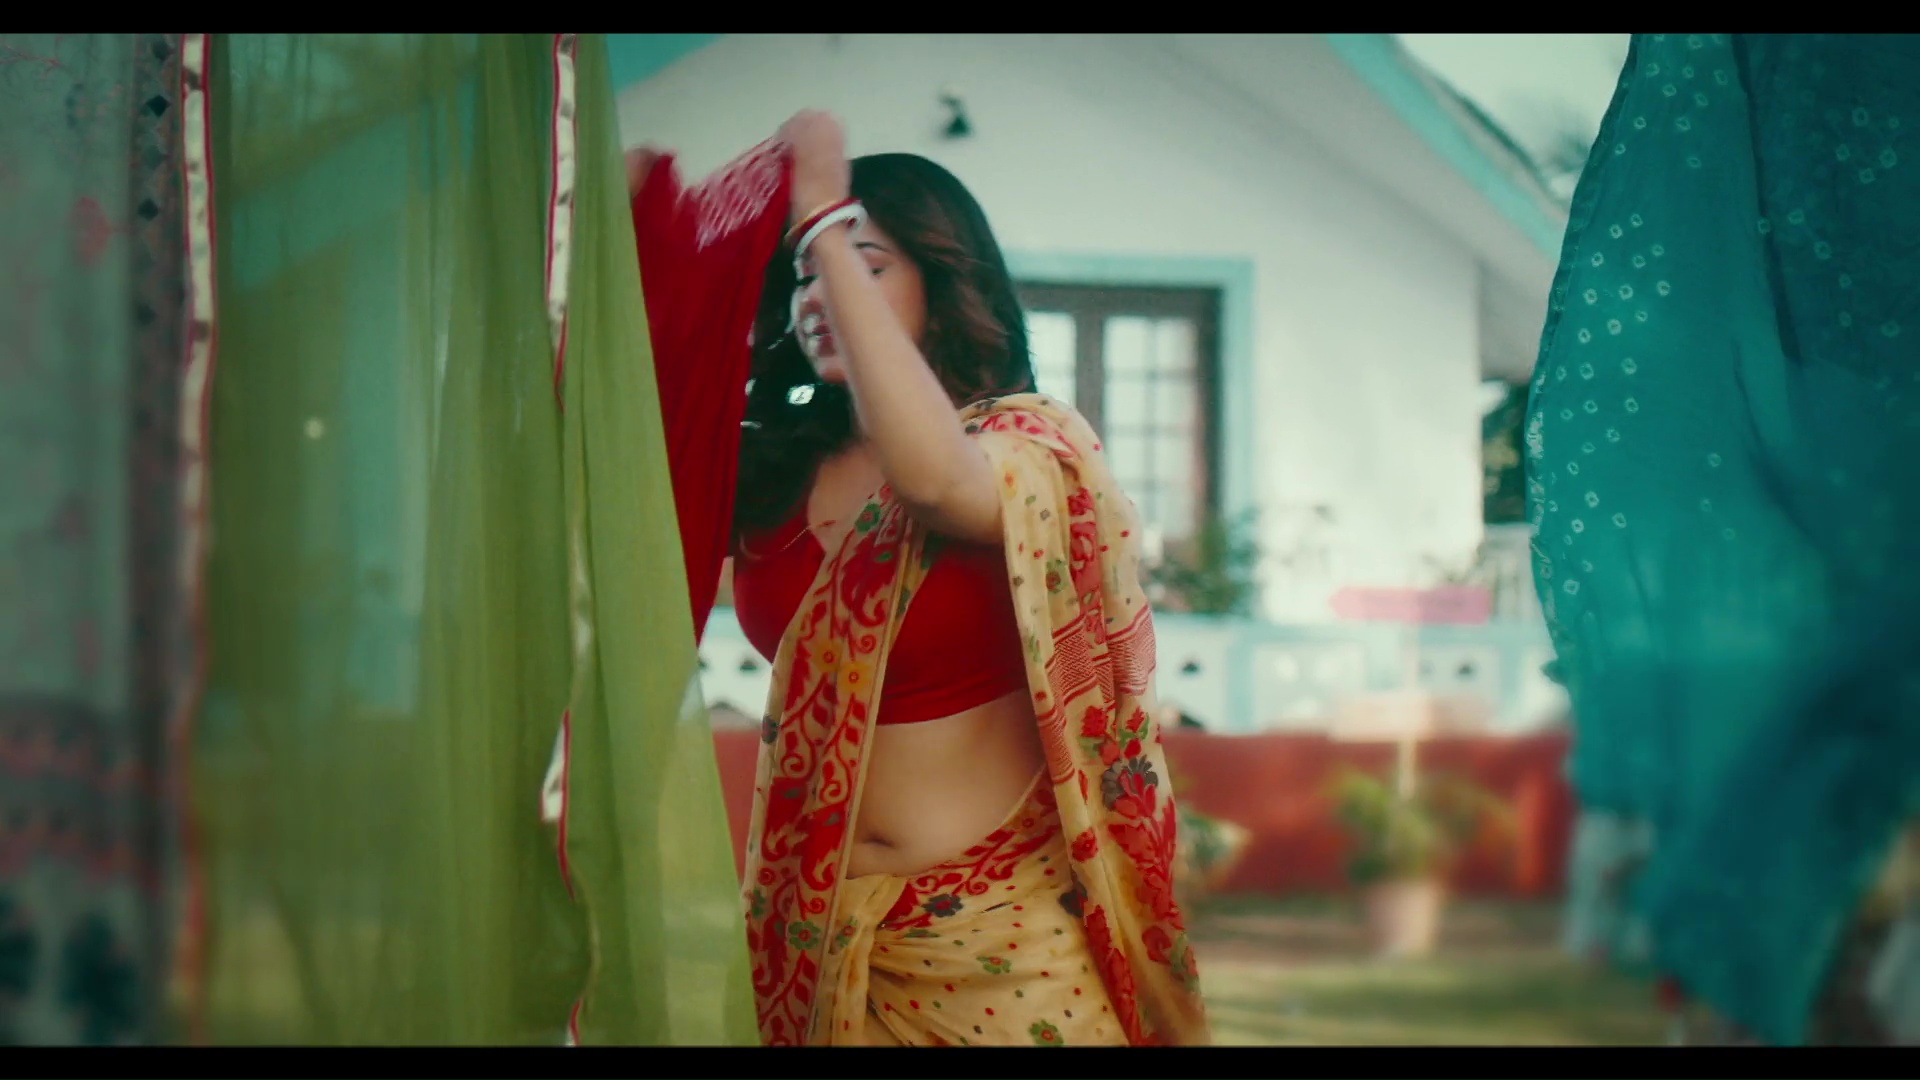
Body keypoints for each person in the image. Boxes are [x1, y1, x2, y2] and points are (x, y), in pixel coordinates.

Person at [625, 112, 1211, 1047]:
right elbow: (618, 473)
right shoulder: (772, 473)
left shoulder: (1028, 448)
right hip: (819, 950)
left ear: (944, 283)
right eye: (802, 274)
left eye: (865, 264)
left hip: (1004, 958)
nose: (819, 293)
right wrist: (621, 246)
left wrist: (821, 220)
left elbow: (936, 486)